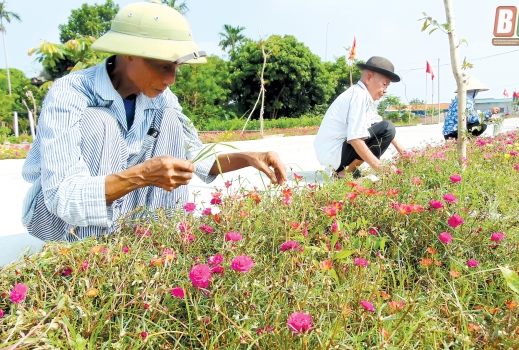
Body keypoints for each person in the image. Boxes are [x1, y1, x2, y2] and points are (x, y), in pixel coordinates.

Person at [21, 2, 287, 242]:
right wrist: (143, 174)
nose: (171, 78)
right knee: (99, 121)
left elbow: (194, 158)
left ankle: (160, 240)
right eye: (162, 66)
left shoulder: (162, 99)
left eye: (176, 67)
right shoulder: (71, 92)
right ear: (130, 54)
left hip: (124, 214)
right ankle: (93, 254)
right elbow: (62, 197)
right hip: (61, 220)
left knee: (168, 119)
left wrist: (250, 157)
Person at [313, 56, 408, 179]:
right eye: (384, 84)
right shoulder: (359, 96)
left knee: (385, 128)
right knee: (387, 127)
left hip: (332, 153)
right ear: (369, 77)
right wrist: (380, 167)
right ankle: (345, 173)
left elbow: (377, 123)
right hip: (334, 153)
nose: (385, 91)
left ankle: (348, 170)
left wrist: (403, 151)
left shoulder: (361, 95)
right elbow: (355, 139)